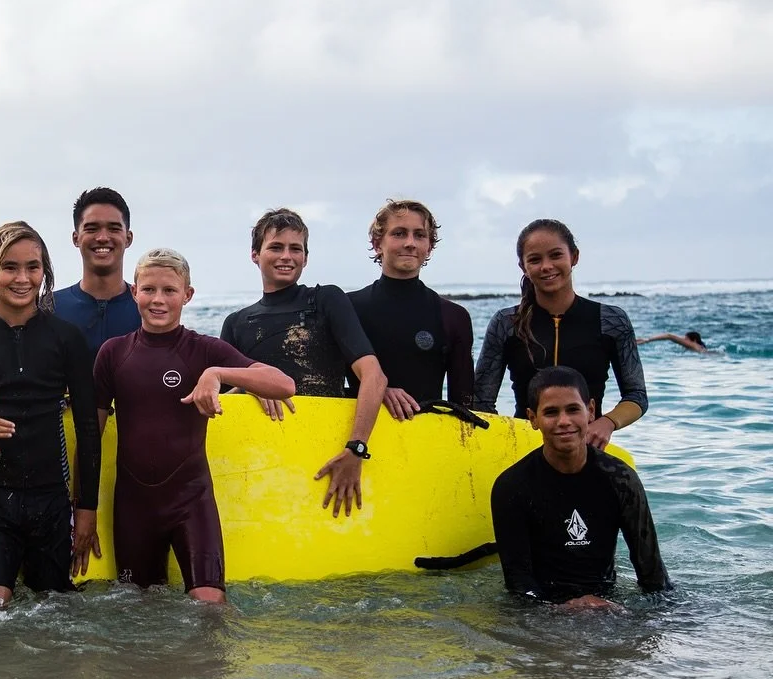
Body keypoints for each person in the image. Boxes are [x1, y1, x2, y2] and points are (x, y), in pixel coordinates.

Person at [95, 249, 296, 603]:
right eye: (149, 289)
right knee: (135, 611)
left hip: (191, 501)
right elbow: (91, 432)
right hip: (132, 505)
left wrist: (217, 373)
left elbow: (283, 384)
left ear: (187, 295)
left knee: (210, 605)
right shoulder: (113, 353)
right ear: (134, 292)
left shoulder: (203, 351)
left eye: (170, 290)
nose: (158, 300)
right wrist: (82, 509)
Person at [0, 221, 101, 605]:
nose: (22, 278)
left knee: (53, 616)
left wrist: (87, 509)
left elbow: (89, 429)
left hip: (52, 500)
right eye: (10, 267)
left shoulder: (66, 338)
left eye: (33, 267)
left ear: (45, 272)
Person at [220, 208, 387, 517]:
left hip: (329, 452)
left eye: (295, 248)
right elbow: (223, 406)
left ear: (306, 258)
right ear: (255, 254)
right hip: (261, 461)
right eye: (276, 247)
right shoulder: (237, 322)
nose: (287, 256)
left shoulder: (326, 301)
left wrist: (357, 449)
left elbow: (373, 376)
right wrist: (252, 387)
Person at [490, 366, 672, 607]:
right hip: (543, 609)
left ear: (591, 411)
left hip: (607, 602)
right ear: (533, 419)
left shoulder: (621, 480)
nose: (564, 421)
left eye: (573, 409)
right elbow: (519, 587)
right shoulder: (511, 486)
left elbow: (654, 578)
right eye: (551, 412)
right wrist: (560, 611)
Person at [473, 219, 647, 449]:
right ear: (523, 267)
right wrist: (508, 441)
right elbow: (481, 401)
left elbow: (636, 396)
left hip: (587, 450)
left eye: (556, 255)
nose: (546, 266)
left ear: (574, 257)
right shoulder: (507, 323)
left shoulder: (611, 321)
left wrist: (608, 423)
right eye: (535, 259)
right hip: (525, 450)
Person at [347, 199, 474, 419]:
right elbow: (328, 388)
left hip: (425, 440)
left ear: (429, 247)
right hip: (361, 435)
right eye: (399, 233)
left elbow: (464, 406)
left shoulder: (454, 317)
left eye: (419, 235)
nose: (410, 243)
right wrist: (377, 391)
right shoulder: (348, 308)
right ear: (378, 244)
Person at [51, 187, 140, 356]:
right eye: (92, 229)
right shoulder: (49, 308)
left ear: (128, 238)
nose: (102, 237)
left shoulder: (146, 308)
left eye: (114, 228)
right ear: (76, 238)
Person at [636, 331, 707, 354]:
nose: (683, 340)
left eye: (686, 339)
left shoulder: (693, 345)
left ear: (694, 340)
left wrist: (647, 340)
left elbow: (669, 336)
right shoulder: (699, 347)